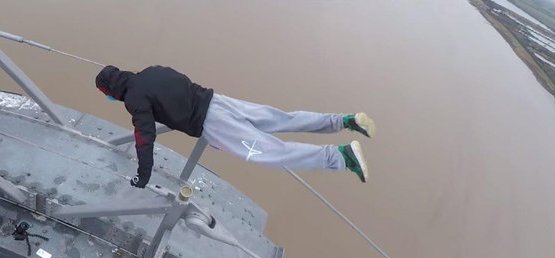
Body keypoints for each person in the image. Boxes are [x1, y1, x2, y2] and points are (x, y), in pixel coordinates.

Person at [95, 65, 374, 188]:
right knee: (283, 118)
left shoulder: (134, 99)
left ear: (110, 90)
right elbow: (180, 82)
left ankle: (339, 156)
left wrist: (143, 176)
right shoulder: (151, 71)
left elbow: (144, 136)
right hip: (219, 101)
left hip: (212, 122)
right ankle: (343, 120)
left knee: (272, 152)